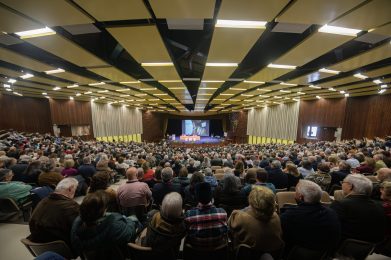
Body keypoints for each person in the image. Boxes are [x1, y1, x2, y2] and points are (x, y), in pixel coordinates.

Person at [71, 191, 139, 258]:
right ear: (102, 212)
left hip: (93, 255)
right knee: (134, 219)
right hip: (112, 255)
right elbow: (130, 232)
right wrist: (129, 220)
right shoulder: (114, 226)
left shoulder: (76, 226)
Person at [280, 180, 341, 253]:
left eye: (296, 192)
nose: (294, 194)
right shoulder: (332, 213)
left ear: (300, 197)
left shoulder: (288, 216)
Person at [228, 186, 284, 257]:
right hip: (273, 255)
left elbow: (229, 227)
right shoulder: (276, 217)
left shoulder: (240, 217)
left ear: (252, 202)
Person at [330, 174, 386, 243]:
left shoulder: (341, 204)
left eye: (343, 182)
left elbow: (329, 229)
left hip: (342, 247)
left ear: (350, 186)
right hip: (368, 249)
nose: (341, 184)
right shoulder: (380, 206)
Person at [28, 178, 79, 248]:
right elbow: (79, 230)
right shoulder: (71, 206)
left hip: (37, 244)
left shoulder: (43, 201)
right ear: (70, 189)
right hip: (61, 246)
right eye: (75, 189)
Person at [140, 192, 186, 257]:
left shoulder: (154, 216)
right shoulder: (182, 227)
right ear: (179, 210)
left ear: (162, 206)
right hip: (171, 255)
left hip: (151, 253)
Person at [184, 182, 228, 248]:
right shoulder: (222, 213)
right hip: (219, 254)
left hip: (196, 253)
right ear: (211, 195)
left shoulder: (189, 215)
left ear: (197, 197)